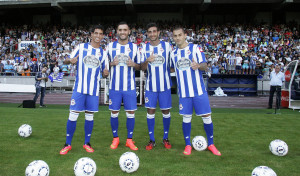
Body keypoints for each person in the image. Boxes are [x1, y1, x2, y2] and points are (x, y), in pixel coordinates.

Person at [170, 26, 221, 156]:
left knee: (207, 117)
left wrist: (198, 65)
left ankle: (211, 144)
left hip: (198, 91)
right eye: (175, 36)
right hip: (184, 93)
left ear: (185, 35)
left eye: (179, 35)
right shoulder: (173, 53)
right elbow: (171, 69)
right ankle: (187, 145)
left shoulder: (195, 48)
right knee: (186, 118)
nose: (177, 38)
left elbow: (205, 65)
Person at [59, 24, 109, 155]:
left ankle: (87, 143)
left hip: (93, 90)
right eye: (96, 33)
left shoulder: (103, 53)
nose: (98, 36)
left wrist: (106, 72)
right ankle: (67, 144)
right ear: (91, 34)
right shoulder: (81, 47)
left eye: (100, 34)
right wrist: (70, 60)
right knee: (73, 115)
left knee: (89, 117)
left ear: (103, 36)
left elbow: (105, 72)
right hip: (79, 88)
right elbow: (65, 61)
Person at [106, 21, 141, 151]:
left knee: (130, 113)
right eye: (120, 30)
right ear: (117, 31)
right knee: (114, 113)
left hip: (129, 87)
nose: (122, 32)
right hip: (114, 87)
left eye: (125, 30)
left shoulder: (135, 47)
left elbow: (140, 66)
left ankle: (129, 140)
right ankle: (115, 138)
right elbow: (104, 65)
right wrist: (111, 63)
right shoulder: (110, 46)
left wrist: (134, 65)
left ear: (129, 32)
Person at [140, 22, 172, 150]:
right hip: (150, 87)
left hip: (165, 86)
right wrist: (147, 61)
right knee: (150, 111)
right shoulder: (144, 48)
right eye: (150, 32)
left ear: (158, 32)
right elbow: (142, 68)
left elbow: (172, 64)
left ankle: (166, 138)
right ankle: (151, 140)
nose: (152, 34)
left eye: (154, 31)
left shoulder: (167, 46)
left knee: (166, 111)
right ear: (147, 34)